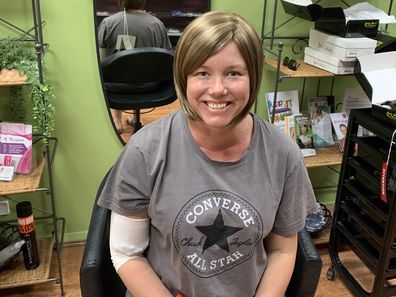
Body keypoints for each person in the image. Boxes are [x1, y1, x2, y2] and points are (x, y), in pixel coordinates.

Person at [98, 11, 316, 297]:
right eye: (202, 72)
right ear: (183, 77)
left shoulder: (283, 153)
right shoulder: (144, 151)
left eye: (234, 73)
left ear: (253, 77)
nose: (217, 89)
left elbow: (282, 250)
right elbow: (127, 254)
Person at [97, 0, 172, 132]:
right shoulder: (157, 24)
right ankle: (136, 119)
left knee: (116, 70)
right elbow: (166, 57)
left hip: (116, 88)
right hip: (151, 86)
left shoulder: (108, 23)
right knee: (139, 70)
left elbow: (101, 60)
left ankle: (117, 122)